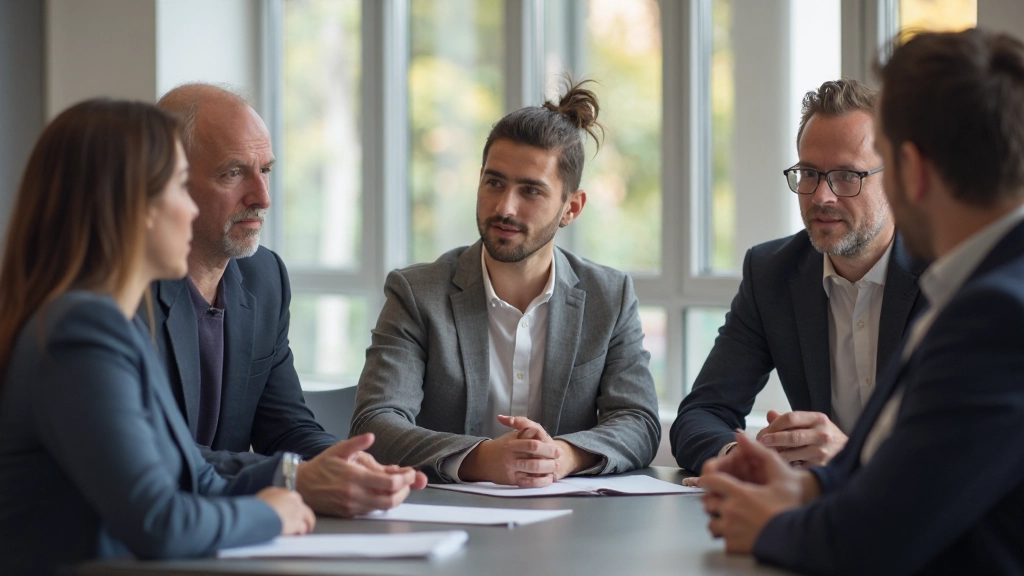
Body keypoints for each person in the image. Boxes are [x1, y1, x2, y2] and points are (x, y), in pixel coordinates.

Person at [700, 28, 1024, 575]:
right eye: (809, 175)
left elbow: (878, 539)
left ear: (911, 171)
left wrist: (770, 524)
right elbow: (920, 475)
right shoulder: (974, 286)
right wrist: (805, 486)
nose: (824, 195)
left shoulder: (998, 311)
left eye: (854, 175)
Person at [0, 99, 314, 575]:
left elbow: (195, 477)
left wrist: (294, 483)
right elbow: (159, 520)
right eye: (177, 188)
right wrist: (269, 513)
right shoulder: (80, 331)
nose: (190, 209)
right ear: (132, 206)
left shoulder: (108, 321)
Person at [350, 79, 661, 486]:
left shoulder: (610, 296)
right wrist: (479, 459)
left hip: (568, 524)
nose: (504, 207)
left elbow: (639, 421)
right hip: (443, 517)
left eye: (530, 191)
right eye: (494, 182)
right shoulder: (416, 293)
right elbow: (375, 424)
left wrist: (562, 456)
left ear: (572, 208)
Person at [154, 84, 426, 516]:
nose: (262, 197)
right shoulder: (123, 292)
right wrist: (292, 478)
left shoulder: (264, 277)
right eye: (233, 173)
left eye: (266, 171)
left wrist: (345, 464)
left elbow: (283, 426)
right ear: (169, 180)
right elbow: (154, 457)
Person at [671, 78, 928, 477]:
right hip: (814, 519)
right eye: (808, 173)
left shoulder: (945, 273)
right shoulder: (772, 272)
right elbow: (701, 414)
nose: (821, 196)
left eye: (846, 176)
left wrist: (853, 459)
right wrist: (740, 460)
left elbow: (977, 447)